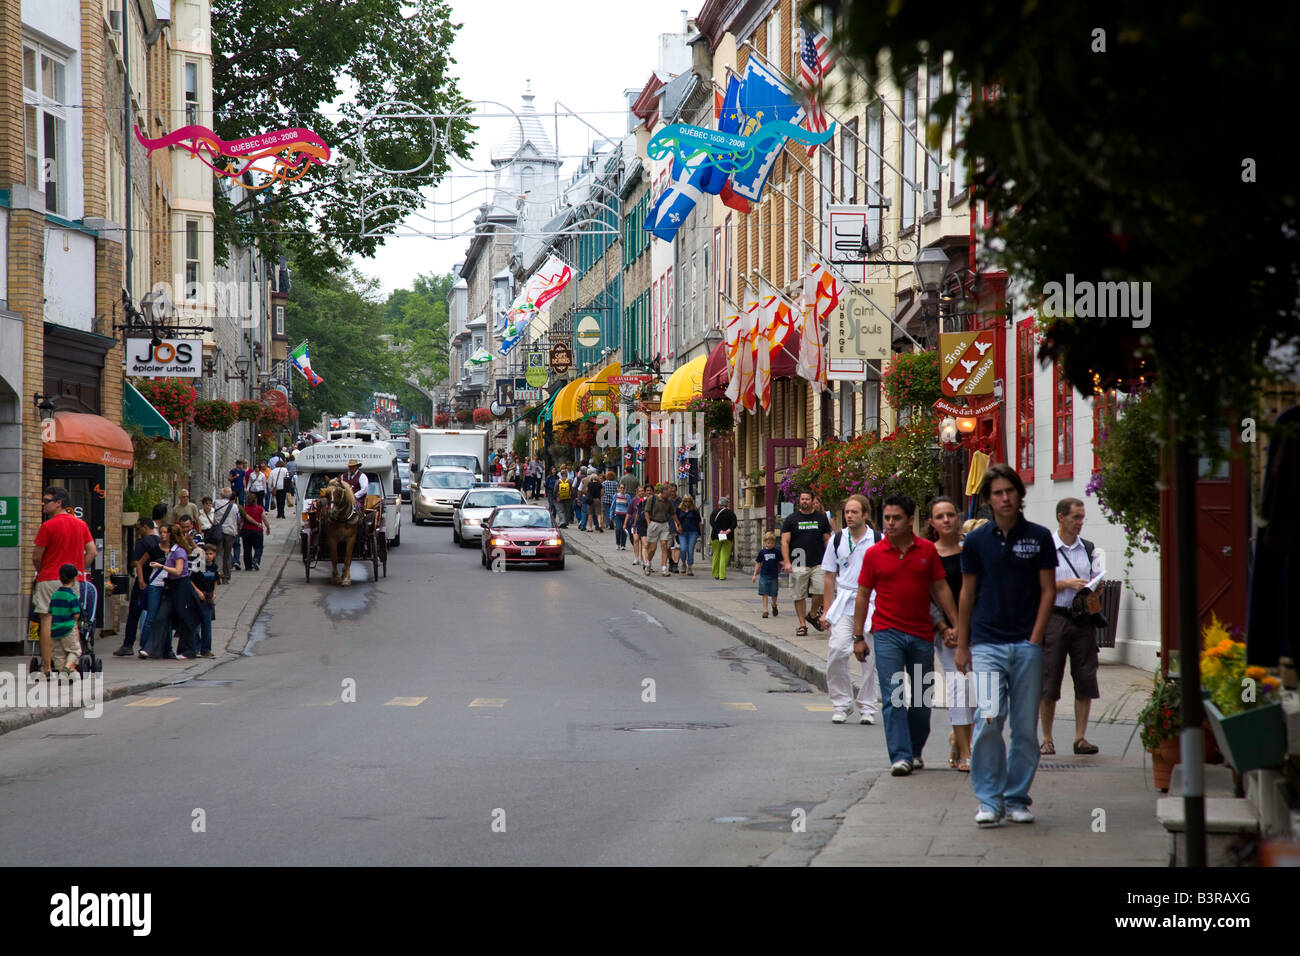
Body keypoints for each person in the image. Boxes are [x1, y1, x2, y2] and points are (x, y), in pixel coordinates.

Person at [955, 463, 1057, 826]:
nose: (1005, 498)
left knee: (1026, 728)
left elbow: (1048, 590)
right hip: (985, 644)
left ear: (1019, 494)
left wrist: (1034, 639)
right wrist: (962, 645)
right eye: (997, 493)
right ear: (987, 500)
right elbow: (967, 594)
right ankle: (988, 799)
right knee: (988, 720)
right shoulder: (977, 542)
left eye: (1010, 491)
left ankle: (1016, 798)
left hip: (1026, 644)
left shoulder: (1040, 537)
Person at [853, 493, 960, 777]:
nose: (889, 523)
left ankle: (914, 750)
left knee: (922, 697)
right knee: (894, 696)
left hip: (921, 634)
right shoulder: (874, 554)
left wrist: (957, 623)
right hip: (887, 633)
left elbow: (941, 589)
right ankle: (900, 756)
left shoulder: (926, 550)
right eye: (886, 518)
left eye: (896, 518)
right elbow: (863, 595)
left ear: (910, 520)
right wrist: (858, 636)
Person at [1040, 497, 1106, 756]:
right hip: (1055, 617)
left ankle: (1080, 737)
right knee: (1049, 679)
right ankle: (1047, 738)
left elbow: (1095, 581)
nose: (1080, 522)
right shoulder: (1046, 548)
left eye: (1082, 517)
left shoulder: (1087, 548)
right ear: (1061, 517)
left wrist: (1095, 588)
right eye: (1075, 517)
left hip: (1082, 620)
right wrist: (1065, 584)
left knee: (1086, 677)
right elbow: (1036, 584)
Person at [822, 495, 883, 725]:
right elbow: (829, 577)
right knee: (837, 650)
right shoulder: (837, 540)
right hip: (845, 601)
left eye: (854, 512)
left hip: (871, 602)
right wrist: (826, 610)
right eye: (847, 512)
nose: (849, 516)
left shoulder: (878, 539)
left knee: (868, 657)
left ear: (865, 515)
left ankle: (867, 707)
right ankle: (841, 703)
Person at [928, 496, 975, 770]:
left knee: (979, 690)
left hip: (975, 629)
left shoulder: (971, 550)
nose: (946, 520)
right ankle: (967, 752)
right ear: (932, 522)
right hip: (945, 634)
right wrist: (944, 627)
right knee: (958, 687)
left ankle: (961, 739)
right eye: (940, 516)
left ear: (957, 517)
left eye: (950, 515)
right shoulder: (927, 552)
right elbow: (928, 597)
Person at [31, 487, 96, 677]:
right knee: (71, 618)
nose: (43, 503)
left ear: (59, 502)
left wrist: (42, 569)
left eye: (47, 500)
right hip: (71, 581)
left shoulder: (48, 526)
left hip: (48, 577)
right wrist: (76, 571)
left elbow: (36, 555)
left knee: (46, 620)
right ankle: (70, 661)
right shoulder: (81, 525)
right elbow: (92, 551)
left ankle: (47, 667)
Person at [142, 523, 200, 660]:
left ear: (171, 536)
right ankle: (151, 649)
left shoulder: (179, 551)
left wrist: (161, 566)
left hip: (181, 587)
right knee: (161, 617)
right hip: (171, 587)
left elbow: (178, 571)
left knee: (185, 618)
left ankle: (188, 650)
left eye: (166, 533)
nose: (163, 535)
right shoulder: (172, 551)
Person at [781, 491, 832, 637]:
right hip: (798, 561)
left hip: (819, 561)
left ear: (812, 500)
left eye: (807, 499)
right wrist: (786, 562)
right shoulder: (791, 519)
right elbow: (785, 541)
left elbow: (827, 539)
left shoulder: (821, 518)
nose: (804, 501)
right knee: (799, 594)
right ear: (799, 500)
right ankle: (802, 624)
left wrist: (831, 558)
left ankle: (812, 613)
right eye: (802, 499)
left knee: (821, 589)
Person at [47, 563, 84, 674]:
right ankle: (68, 667)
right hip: (68, 628)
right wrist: (75, 621)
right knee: (75, 650)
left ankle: (62, 675)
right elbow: (76, 614)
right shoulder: (72, 596)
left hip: (55, 629)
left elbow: (50, 611)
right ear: (74, 579)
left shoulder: (55, 595)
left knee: (58, 655)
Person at [643, 484, 681, 577]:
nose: (669, 496)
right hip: (654, 523)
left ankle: (664, 568)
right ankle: (648, 563)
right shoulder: (653, 499)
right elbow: (646, 512)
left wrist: (678, 524)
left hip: (664, 524)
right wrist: (649, 523)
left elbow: (673, 514)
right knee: (652, 548)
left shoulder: (668, 502)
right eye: (668, 494)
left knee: (664, 545)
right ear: (663, 492)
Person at [192, 544, 220, 658]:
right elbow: (191, 581)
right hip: (199, 596)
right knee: (195, 624)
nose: (208, 556)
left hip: (208, 598)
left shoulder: (214, 567)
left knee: (207, 624)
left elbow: (216, 580)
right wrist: (198, 592)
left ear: (214, 555)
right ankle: (196, 648)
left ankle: (206, 649)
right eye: (206, 554)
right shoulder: (199, 565)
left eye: (211, 554)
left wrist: (214, 592)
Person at [209, 488, 242, 583]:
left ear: (221, 495)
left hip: (218, 532)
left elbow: (212, 514)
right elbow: (238, 519)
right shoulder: (235, 507)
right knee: (227, 555)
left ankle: (218, 574)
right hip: (230, 532)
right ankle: (226, 577)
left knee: (218, 553)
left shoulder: (216, 503)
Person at [752, 531, 782, 617]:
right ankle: (765, 610)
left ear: (775, 543)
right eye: (768, 543)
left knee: (774, 593)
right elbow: (758, 563)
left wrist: (788, 566)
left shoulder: (777, 552)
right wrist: (754, 574)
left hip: (773, 576)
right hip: (764, 575)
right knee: (764, 593)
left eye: (772, 543)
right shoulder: (762, 552)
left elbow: (781, 561)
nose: (770, 544)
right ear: (765, 542)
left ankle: (774, 604)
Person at [240, 491, 271, 571]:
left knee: (247, 548)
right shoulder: (260, 508)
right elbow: (264, 519)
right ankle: (256, 559)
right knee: (259, 547)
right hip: (257, 531)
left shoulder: (244, 509)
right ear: (256, 500)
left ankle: (248, 566)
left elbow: (241, 520)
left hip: (246, 530)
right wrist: (268, 528)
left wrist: (239, 529)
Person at [708, 496, 737, 579]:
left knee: (716, 555)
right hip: (727, 537)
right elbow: (734, 523)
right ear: (727, 504)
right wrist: (728, 530)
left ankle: (715, 574)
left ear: (719, 504)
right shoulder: (731, 513)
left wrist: (719, 531)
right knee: (724, 555)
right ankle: (722, 575)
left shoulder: (714, 512)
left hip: (716, 536)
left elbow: (712, 523)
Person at [676, 494, 702, 576]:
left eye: (689, 501)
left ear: (691, 502)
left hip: (693, 532)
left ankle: (690, 567)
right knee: (683, 549)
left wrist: (700, 533)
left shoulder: (694, 510)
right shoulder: (679, 510)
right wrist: (677, 528)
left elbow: (699, 522)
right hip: (682, 532)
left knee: (690, 550)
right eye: (685, 501)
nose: (687, 503)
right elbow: (675, 519)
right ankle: (683, 563)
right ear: (683, 502)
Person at [611, 482, 631, 550]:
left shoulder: (627, 496)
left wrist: (630, 515)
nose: (622, 489)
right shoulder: (616, 495)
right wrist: (611, 514)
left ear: (625, 489)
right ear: (618, 489)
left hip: (625, 515)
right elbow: (613, 505)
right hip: (617, 515)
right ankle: (617, 543)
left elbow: (629, 506)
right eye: (621, 488)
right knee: (618, 528)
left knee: (624, 529)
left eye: (623, 488)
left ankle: (623, 545)